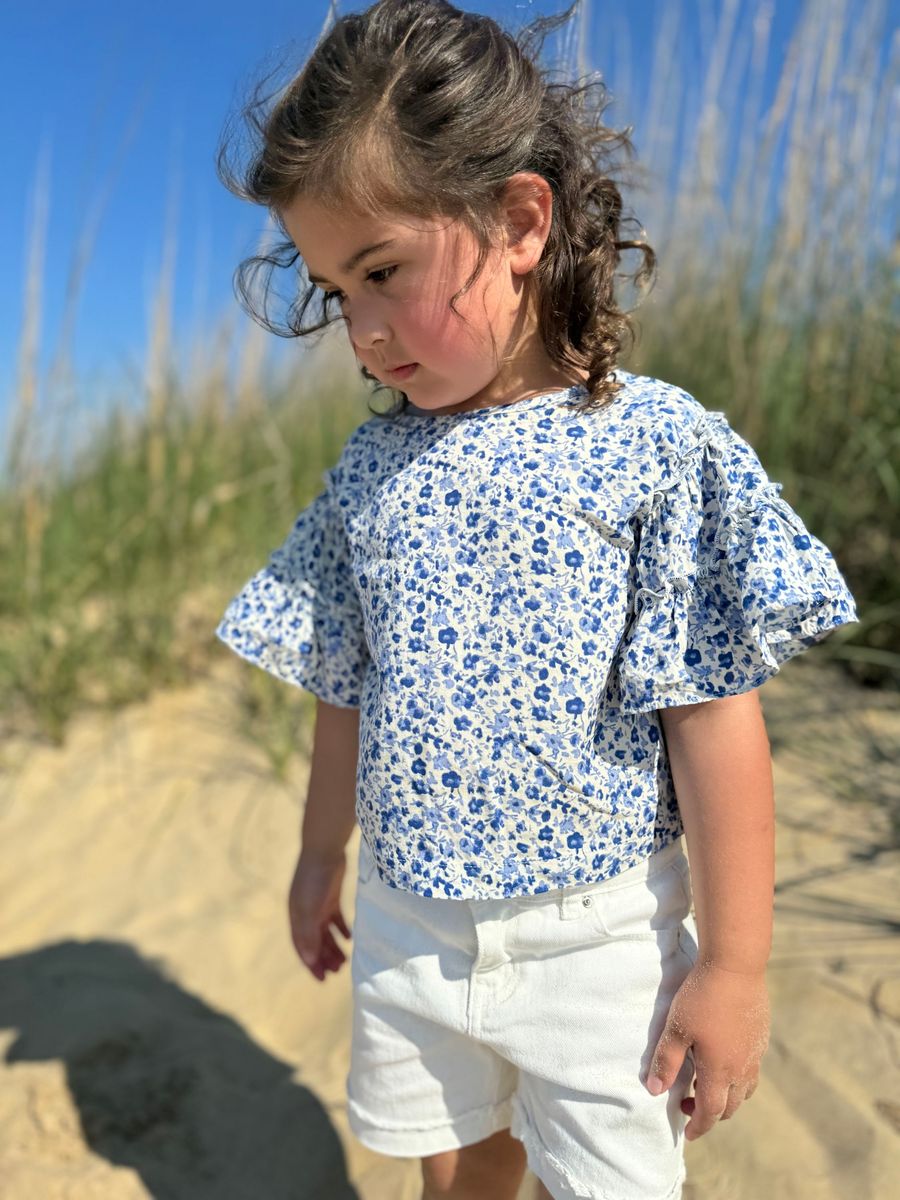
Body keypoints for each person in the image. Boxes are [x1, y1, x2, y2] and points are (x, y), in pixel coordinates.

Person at [213, 2, 859, 1197]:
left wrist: (734, 968)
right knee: (458, 1171)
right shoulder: (370, 471)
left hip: (599, 936)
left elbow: (714, 714)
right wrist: (316, 857)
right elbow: (345, 684)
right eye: (335, 291)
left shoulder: (652, 444)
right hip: (409, 924)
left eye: (382, 271)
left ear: (519, 221)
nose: (361, 331)